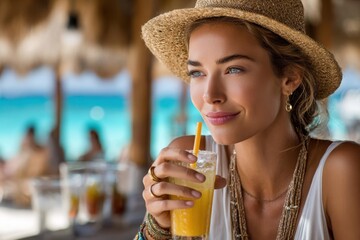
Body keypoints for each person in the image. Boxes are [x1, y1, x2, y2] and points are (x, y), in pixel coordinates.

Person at [137, 0, 360, 239]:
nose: (210, 95)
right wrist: (158, 227)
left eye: (233, 69)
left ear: (290, 78)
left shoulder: (341, 171)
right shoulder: (188, 161)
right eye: (197, 73)